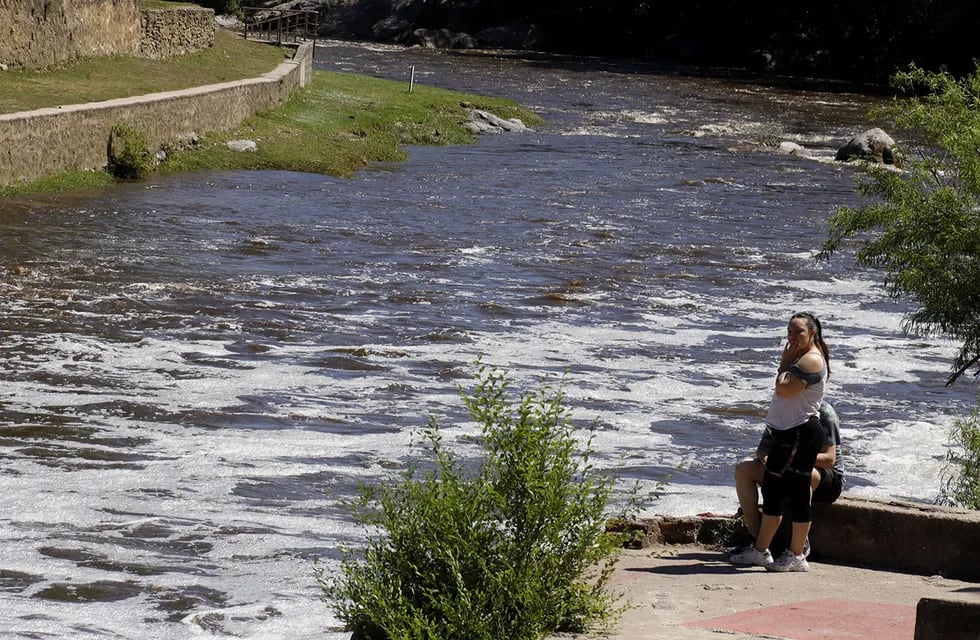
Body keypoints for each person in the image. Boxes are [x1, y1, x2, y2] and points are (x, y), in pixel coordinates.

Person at [730, 311, 830, 572]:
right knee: (773, 491)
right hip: (786, 433)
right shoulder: (800, 358)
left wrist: (784, 364)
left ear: (812, 334)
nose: (792, 337)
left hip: (801, 433)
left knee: (798, 494)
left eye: (798, 332)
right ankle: (760, 551)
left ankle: (796, 555)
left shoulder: (811, 360)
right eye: (789, 331)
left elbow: (784, 389)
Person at [733, 401, 845, 555]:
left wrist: (792, 457)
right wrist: (766, 458)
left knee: (803, 474)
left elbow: (829, 459)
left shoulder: (823, 413)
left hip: (826, 476)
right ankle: (756, 539)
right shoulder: (781, 409)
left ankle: (798, 548)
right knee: (743, 469)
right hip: (786, 468)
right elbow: (762, 450)